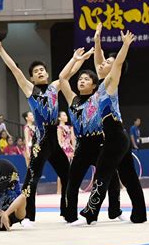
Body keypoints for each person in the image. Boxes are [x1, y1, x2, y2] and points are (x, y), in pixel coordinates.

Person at [0, 35, 82, 225]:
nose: (39, 72)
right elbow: (14, 69)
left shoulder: (55, 87)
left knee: (68, 175)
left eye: (42, 70)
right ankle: (28, 216)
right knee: (32, 179)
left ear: (47, 74)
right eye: (36, 71)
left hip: (54, 140)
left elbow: (68, 74)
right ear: (32, 77)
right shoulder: (30, 89)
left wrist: (77, 59)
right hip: (41, 141)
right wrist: (0, 50)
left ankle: (69, 214)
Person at [59, 45, 141, 225]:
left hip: (100, 142)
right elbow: (62, 78)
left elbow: (102, 65)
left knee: (111, 179)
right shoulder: (72, 99)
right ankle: (71, 216)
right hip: (81, 145)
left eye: (86, 79)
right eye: (80, 78)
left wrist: (99, 46)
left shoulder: (99, 96)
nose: (81, 81)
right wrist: (75, 59)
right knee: (73, 182)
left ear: (94, 85)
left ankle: (115, 211)